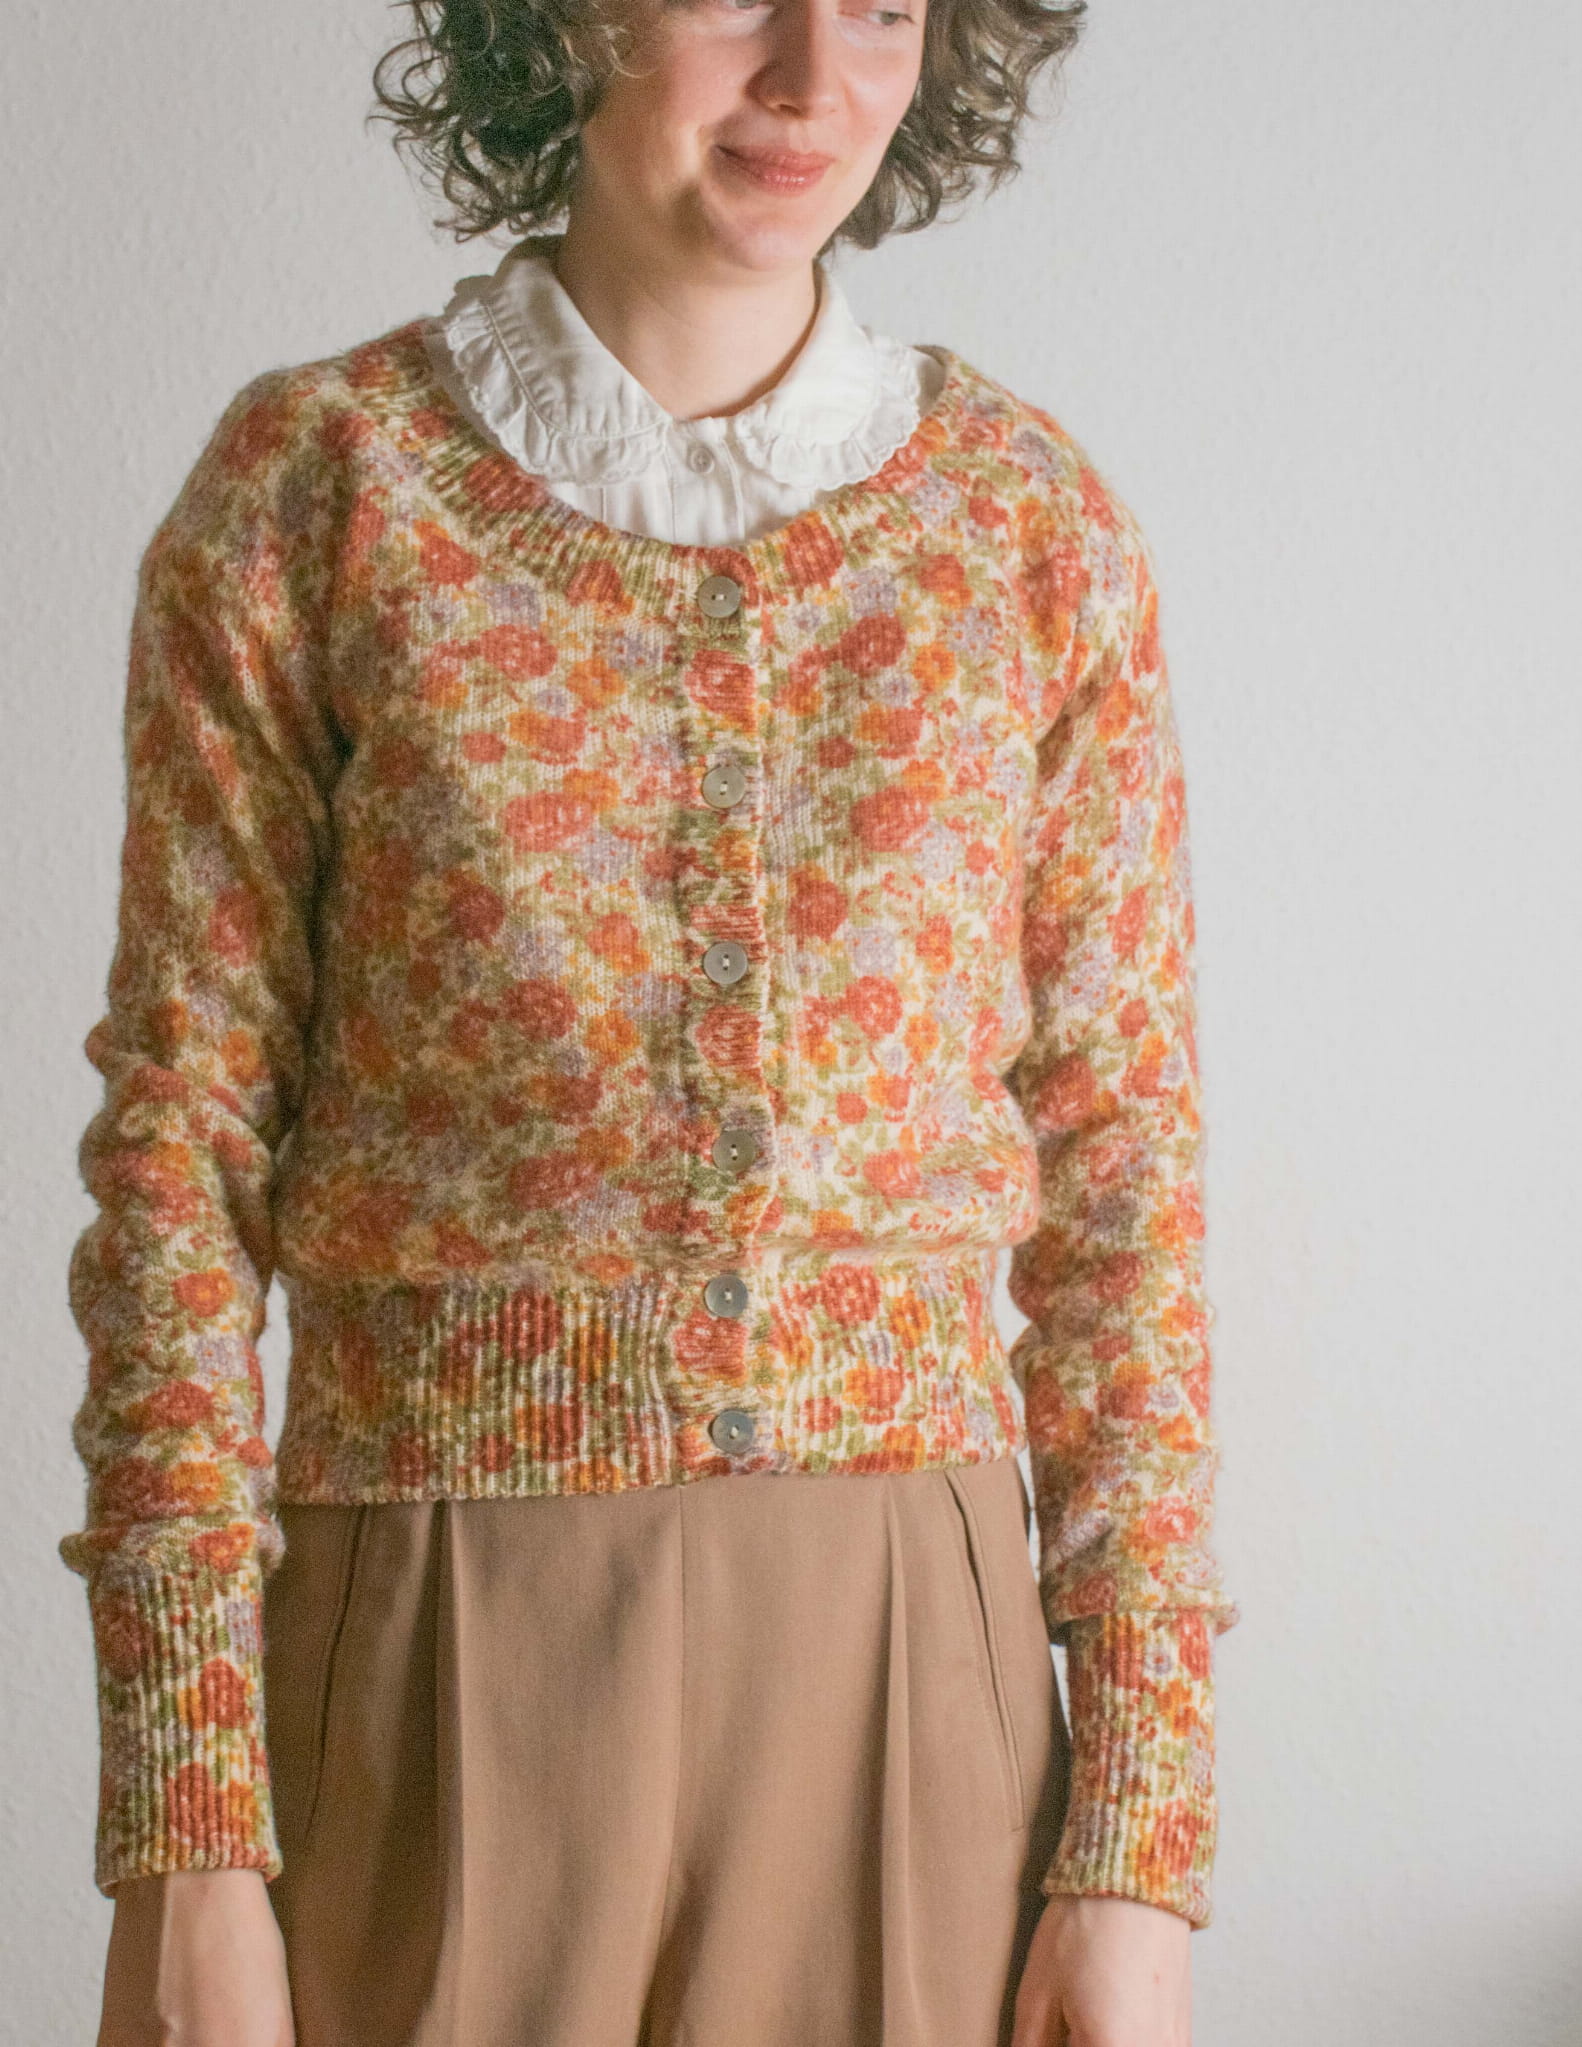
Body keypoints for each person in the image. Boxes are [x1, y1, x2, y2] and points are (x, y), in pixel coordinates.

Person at [64, 0, 1239, 2040]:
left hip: (906, 1665)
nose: (811, 79)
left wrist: (1141, 1833)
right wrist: (184, 1827)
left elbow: (1121, 1167)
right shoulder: (318, 490)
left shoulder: (1027, 527)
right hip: (428, 1641)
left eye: (883, 8)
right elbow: (178, 1155)